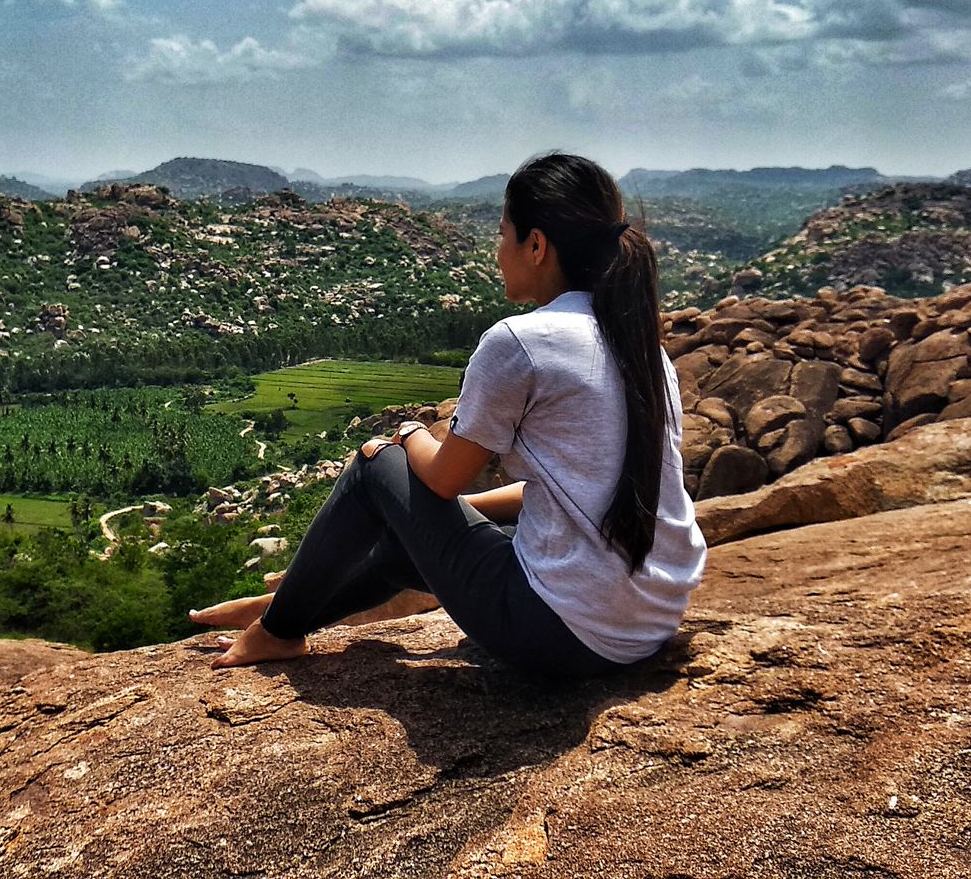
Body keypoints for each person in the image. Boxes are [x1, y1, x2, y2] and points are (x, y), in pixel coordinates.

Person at [191, 152, 706, 675]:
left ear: (536, 245)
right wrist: (444, 516)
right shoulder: (643, 348)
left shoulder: (522, 341)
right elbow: (579, 488)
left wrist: (410, 434)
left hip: (556, 633)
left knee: (375, 467)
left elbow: (441, 481)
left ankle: (278, 631)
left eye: (503, 234)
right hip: (648, 623)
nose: (497, 249)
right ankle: (286, 611)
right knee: (404, 543)